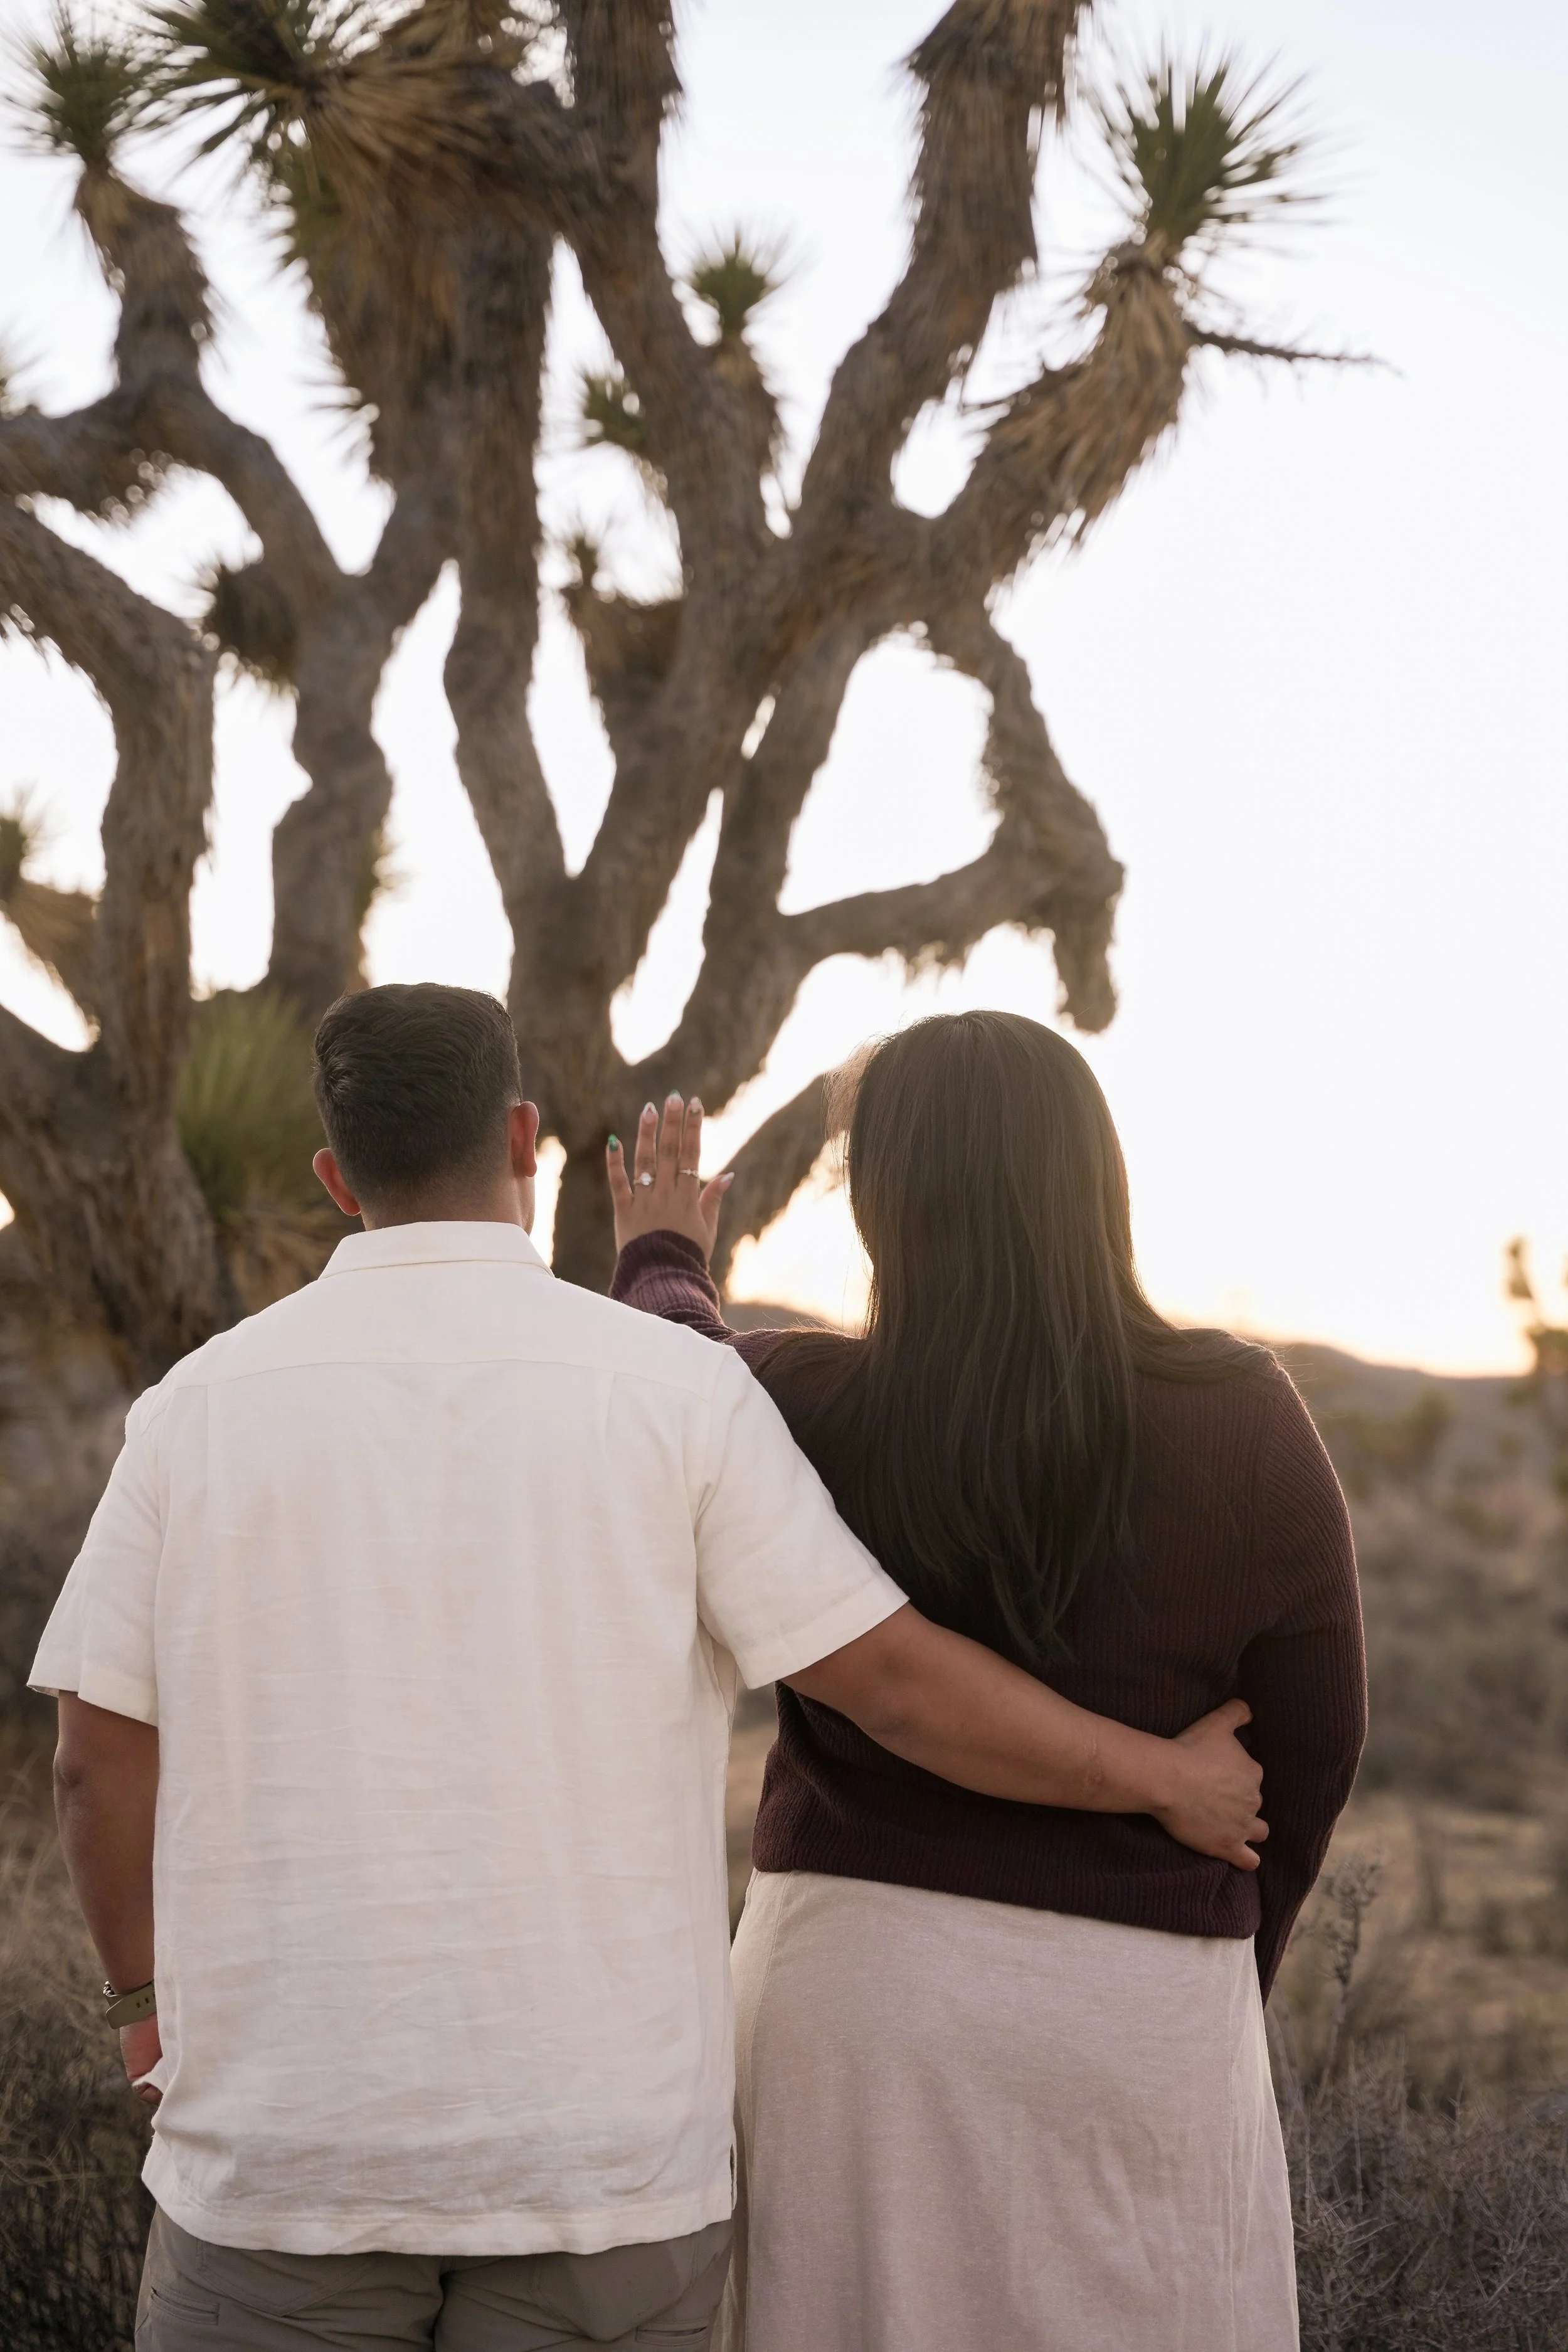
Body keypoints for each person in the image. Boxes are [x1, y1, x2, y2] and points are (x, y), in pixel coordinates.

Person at [32, 983, 1266, 2352]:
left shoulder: (196, 1409)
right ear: (522, 1136)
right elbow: (895, 1686)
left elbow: (95, 1760)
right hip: (602, 2173)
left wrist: (143, 2002)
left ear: (336, 1178)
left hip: (282, 2161)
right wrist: (1160, 1778)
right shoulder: (675, 1395)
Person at [608, 1012, 1367, 2352]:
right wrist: (1206, 1946)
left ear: (882, 1202)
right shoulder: (1244, 1418)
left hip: (857, 1996)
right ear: (1096, 1179)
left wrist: (663, 1254)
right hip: (1136, 2008)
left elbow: (670, 1370)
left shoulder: (806, 1403)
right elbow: (1311, 1756)